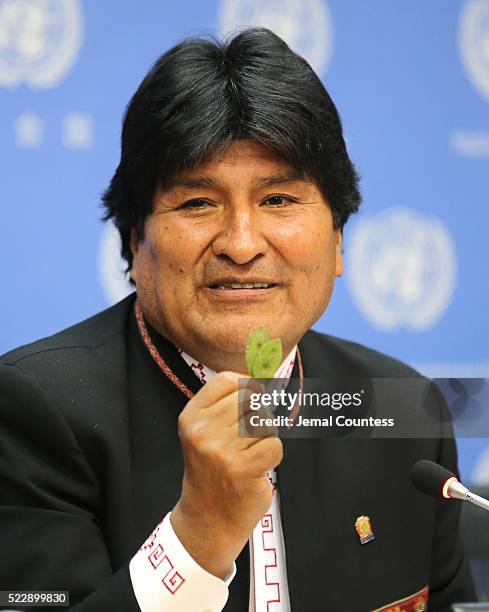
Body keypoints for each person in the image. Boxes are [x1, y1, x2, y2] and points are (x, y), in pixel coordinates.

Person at [0, 28, 475, 612]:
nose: (243, 243)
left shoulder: (401, 408)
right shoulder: (32, 410)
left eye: (279, 200)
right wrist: (196, 538)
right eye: (198, 203)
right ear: (132, 241)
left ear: (339, 238)